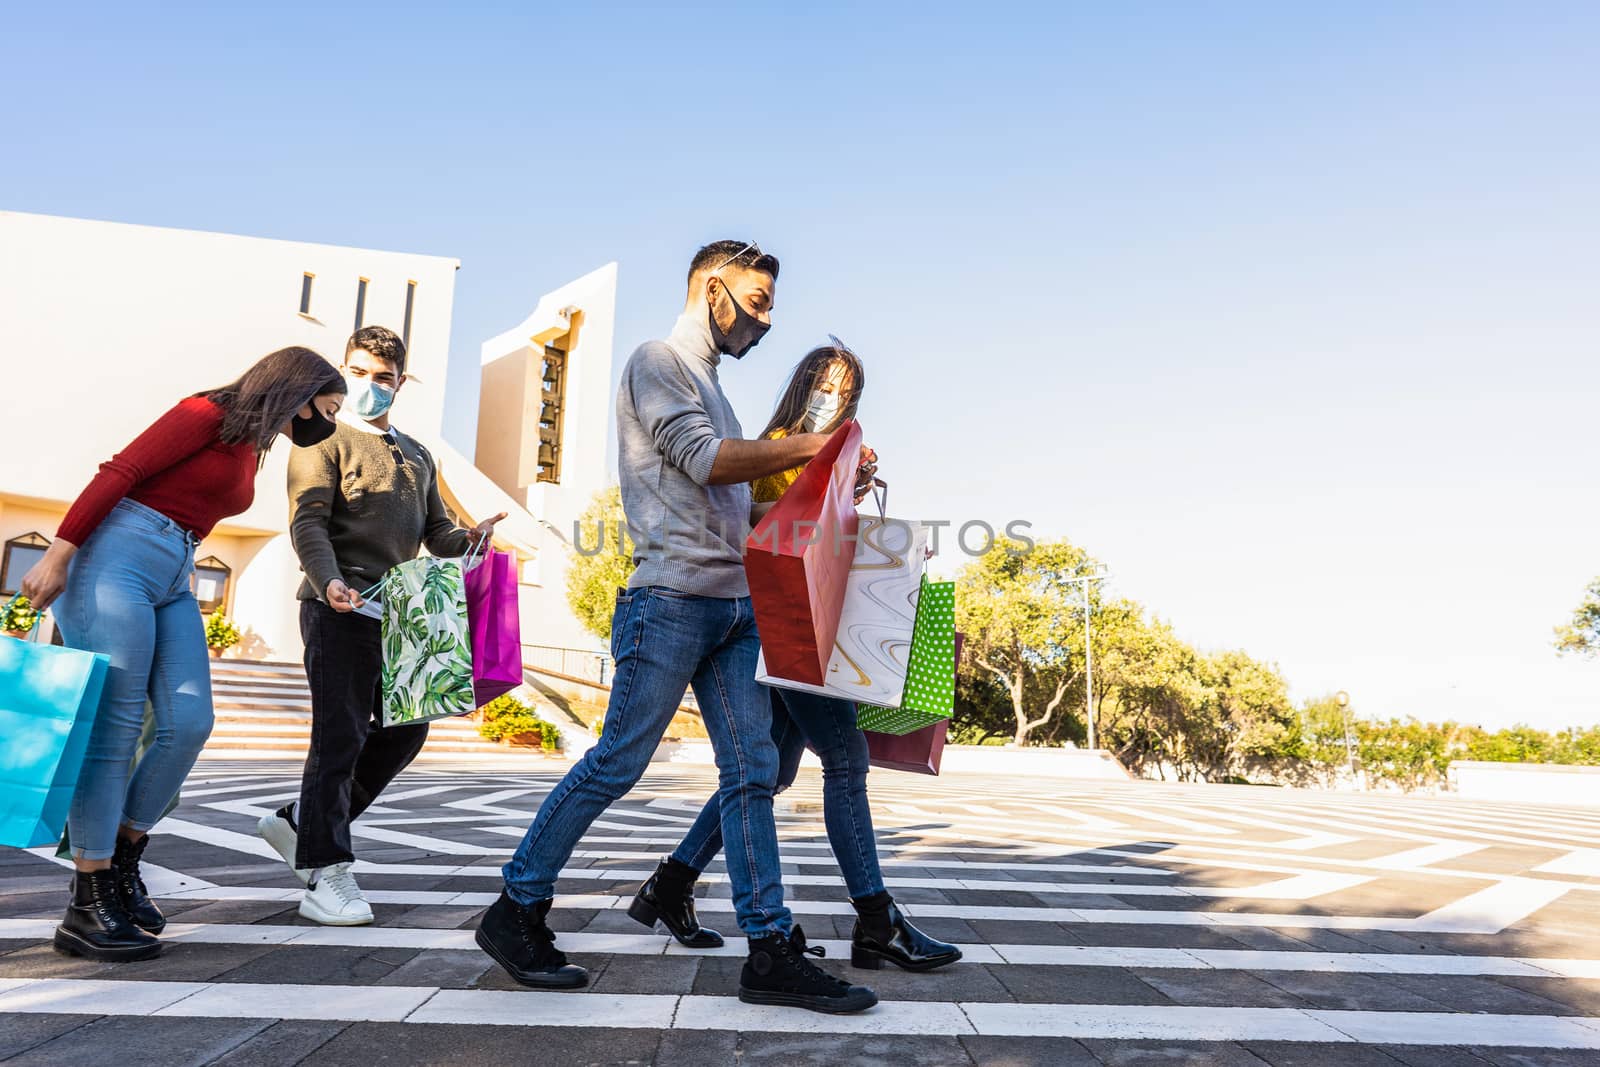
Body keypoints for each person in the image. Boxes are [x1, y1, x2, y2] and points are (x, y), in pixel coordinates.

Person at [476, 241, 879, 1013]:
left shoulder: (716, 391)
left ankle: (769, 947)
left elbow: (743, 515)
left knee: (754, 771)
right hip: (669, 601)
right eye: (756, 303)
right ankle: (515, 908)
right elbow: (700, 459)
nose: (763, 323)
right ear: (712, 290)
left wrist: (835, 482)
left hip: (732, 608)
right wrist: (814, 445)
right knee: (616, 761)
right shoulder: (657, 361)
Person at [630, 343, 960, 973]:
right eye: (826, 385)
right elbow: (767, 530)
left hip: (792, 623)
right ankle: (875, 921)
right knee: (844, 756)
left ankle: (671, 884)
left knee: (772, 771)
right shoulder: (778, 445)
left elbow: (827, 533)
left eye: (846, 391)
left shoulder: (828, 453)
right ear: (806, 385)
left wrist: (853, 491)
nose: (833, 399)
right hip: (787, 624)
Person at [21, 347, 347, 962]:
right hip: (115, 555)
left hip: (177, 568)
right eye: (324, 407)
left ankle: (119, 857)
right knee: (114, 731)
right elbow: (119, 471)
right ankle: (88, 902)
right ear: (297, 390)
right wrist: (59, 552)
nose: (324, 422)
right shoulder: (205, 411)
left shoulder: (254, 442)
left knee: (190, 719)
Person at [256, 326, 503, 926]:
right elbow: (307, 521)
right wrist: (327, 579)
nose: (371, 386)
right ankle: (325, 873)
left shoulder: (419, 454)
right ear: (344, 371)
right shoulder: (321, 437)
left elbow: (436, 532)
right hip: (336, 606)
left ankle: (299, 825)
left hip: (399, 615)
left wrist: (470, 538)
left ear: (401, 382)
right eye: (360, 373)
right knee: (339, 737)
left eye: (384, 377)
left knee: (405, 732)